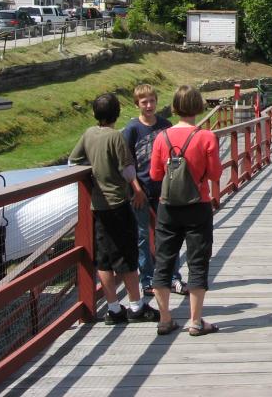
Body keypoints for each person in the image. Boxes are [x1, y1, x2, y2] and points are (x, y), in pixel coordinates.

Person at [68, 93, 160, 324]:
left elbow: (73, 161)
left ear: (95, 114)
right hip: (119, 203)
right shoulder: (116, 137)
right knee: (128, 255)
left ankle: (113, 308)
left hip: (98, 206)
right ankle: (137, 307)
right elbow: (127, 170)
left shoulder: (89, 134)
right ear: (117, 114)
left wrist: (94, 174)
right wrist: (137, 191)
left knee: (104, 258)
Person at [151, 84, 222, 336]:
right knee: (198, 262)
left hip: (167, 208)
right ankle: (195, 321)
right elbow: (215, 173)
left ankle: (165, 318)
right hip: (197, 206)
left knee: (163, 262)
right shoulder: (206, 137)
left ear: (175, 107)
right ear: (198, 106)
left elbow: (155, 174)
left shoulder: (162, 137)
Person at [121, 83, 188, 298]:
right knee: (141, 236)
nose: (149, 105)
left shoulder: (165, 125)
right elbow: (126, 162)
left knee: (169, 234)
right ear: (137, 104)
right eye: (144, 102)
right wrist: (136, 190)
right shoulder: (131, 130)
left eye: (152, 101)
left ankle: (172, 276)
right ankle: (147, 280)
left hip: (165, 189)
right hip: (140, 189)